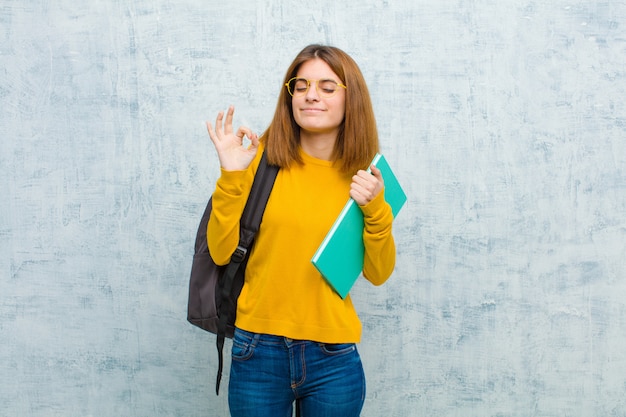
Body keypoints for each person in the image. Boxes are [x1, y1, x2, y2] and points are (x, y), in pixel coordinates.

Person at [205, 44, 396, 417]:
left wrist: (375, 208)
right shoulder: (257, 160)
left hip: (333, 357)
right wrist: (231, 175)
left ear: (349, 98)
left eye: (327, 87)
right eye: (302, 85)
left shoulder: (366, 179)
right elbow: (220, 252)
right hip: (257, 351)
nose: (311, 95)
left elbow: (378, 273)